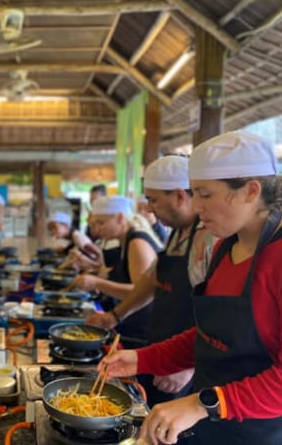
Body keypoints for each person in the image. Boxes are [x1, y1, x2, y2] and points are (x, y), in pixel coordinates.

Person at [100, 131, 282, 445]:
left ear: (251, 191)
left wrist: (200, 403)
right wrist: (143, 359)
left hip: (268, 433)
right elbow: (211, 337)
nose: (196, 206)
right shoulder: (224, 248)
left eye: (205, 194)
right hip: (211, 426)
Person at [86, 156, 215, 415]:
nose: (149, 209)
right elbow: (150, 280)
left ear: (179, 196)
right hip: (161, 349)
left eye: (154, 200)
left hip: (187, 367)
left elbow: (220, 314)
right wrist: (115, 315)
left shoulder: (210, 237)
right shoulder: (178, 232)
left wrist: (189, 365)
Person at [74, 196, 160, 348]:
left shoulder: (137, 242)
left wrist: (97, 283)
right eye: (95, 224)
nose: (98, 229)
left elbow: (141, 292)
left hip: (144, 329)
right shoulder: (125, 241)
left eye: (101, 222)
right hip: (132, 322)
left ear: (120, 217)